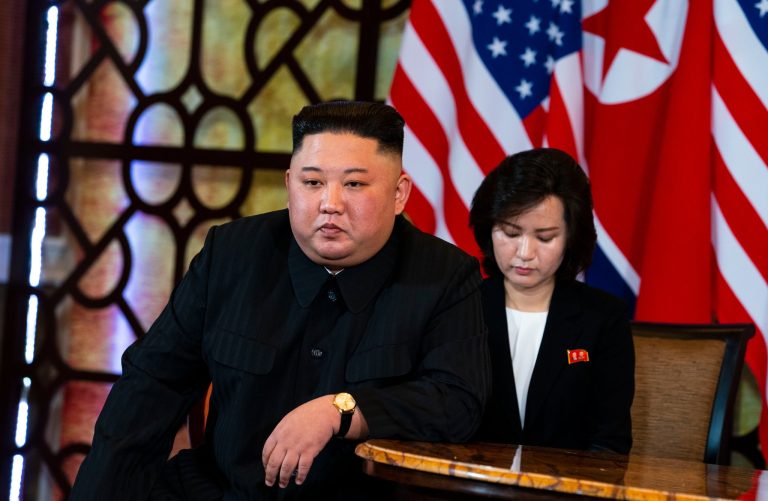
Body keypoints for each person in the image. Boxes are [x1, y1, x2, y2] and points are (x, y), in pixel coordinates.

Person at [71, 101, 490, 499]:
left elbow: (457, 403)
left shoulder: (446, 276)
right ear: (290, 184)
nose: (330, 204)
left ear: (399, 194)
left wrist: (342, 411)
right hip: (225, 491)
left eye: (355, 184)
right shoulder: (230, 254)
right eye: (312, 183)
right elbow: (150, 387)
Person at [469, 148, 634, 454]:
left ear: (571, 237)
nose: (525, 253)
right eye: (510, 233)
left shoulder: (603, 318)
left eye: (544, 237)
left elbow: (609, 443)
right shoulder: (460, 306)